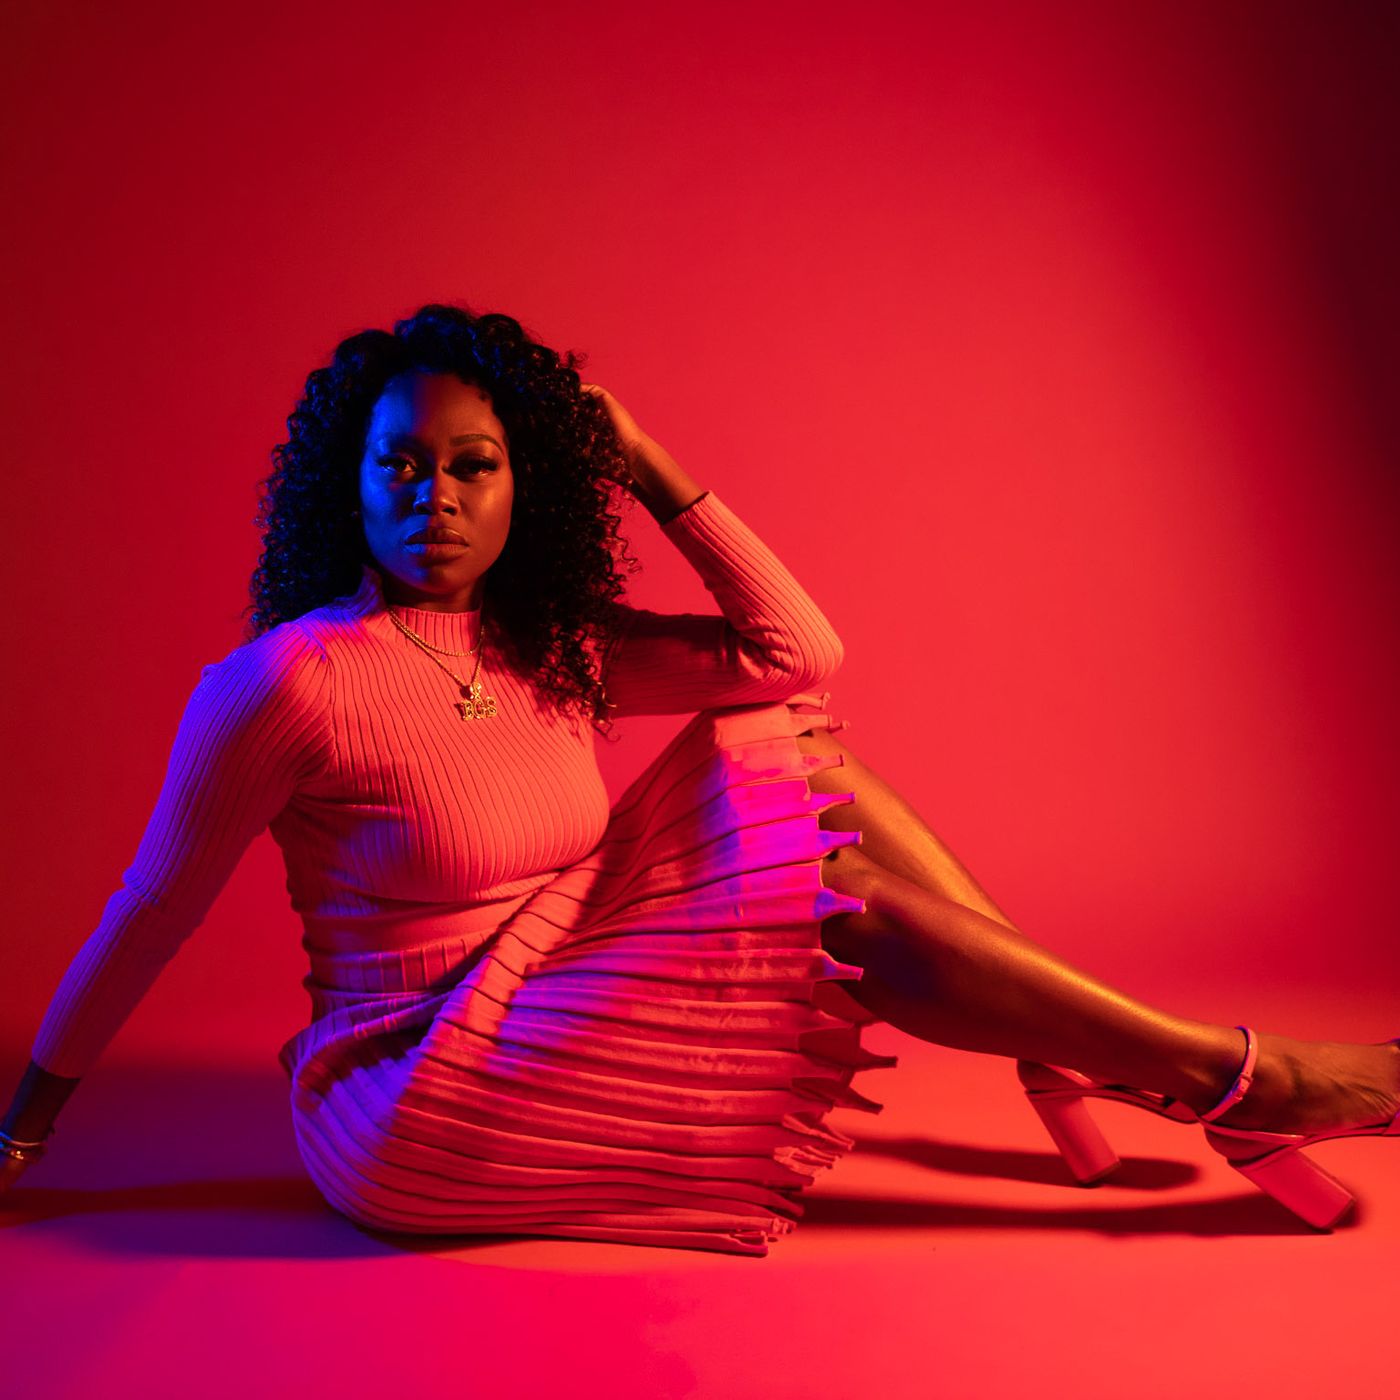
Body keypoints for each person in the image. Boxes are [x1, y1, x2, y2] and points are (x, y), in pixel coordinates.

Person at [2, 304, 1395, 1254]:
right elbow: (150, 912)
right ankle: (1226, 1076)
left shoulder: (552, 647)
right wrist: (23, 1132)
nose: (437, 497)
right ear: (349, 485)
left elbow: (796, 653)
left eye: (475, 467)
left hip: (557, 989)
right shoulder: (285, 682)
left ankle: (1078, 1047)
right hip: (414, 1088)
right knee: (833, 893)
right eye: (401, 466)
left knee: (801, 750)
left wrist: (653, 466)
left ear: (527, 486)